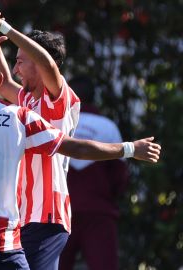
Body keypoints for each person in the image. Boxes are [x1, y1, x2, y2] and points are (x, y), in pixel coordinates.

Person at [0, 47, 160, 270]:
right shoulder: (20, 117)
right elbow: (76, 148)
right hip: (2, 239)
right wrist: (129, 148)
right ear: (0, 79)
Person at [0, 0, 160, 269]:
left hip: (46, 217)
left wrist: (4, 26)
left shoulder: (57, 99)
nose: (16, 68)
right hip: (24, 217)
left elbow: (46, 63)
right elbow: (2, 83)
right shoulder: (26, 100)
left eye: (21, 61)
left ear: (38, 62)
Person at [59, 76, 129, 270]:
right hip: (98, 211)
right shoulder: (108, 127)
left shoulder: (59, 125)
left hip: (62, 211)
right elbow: (119, 176)